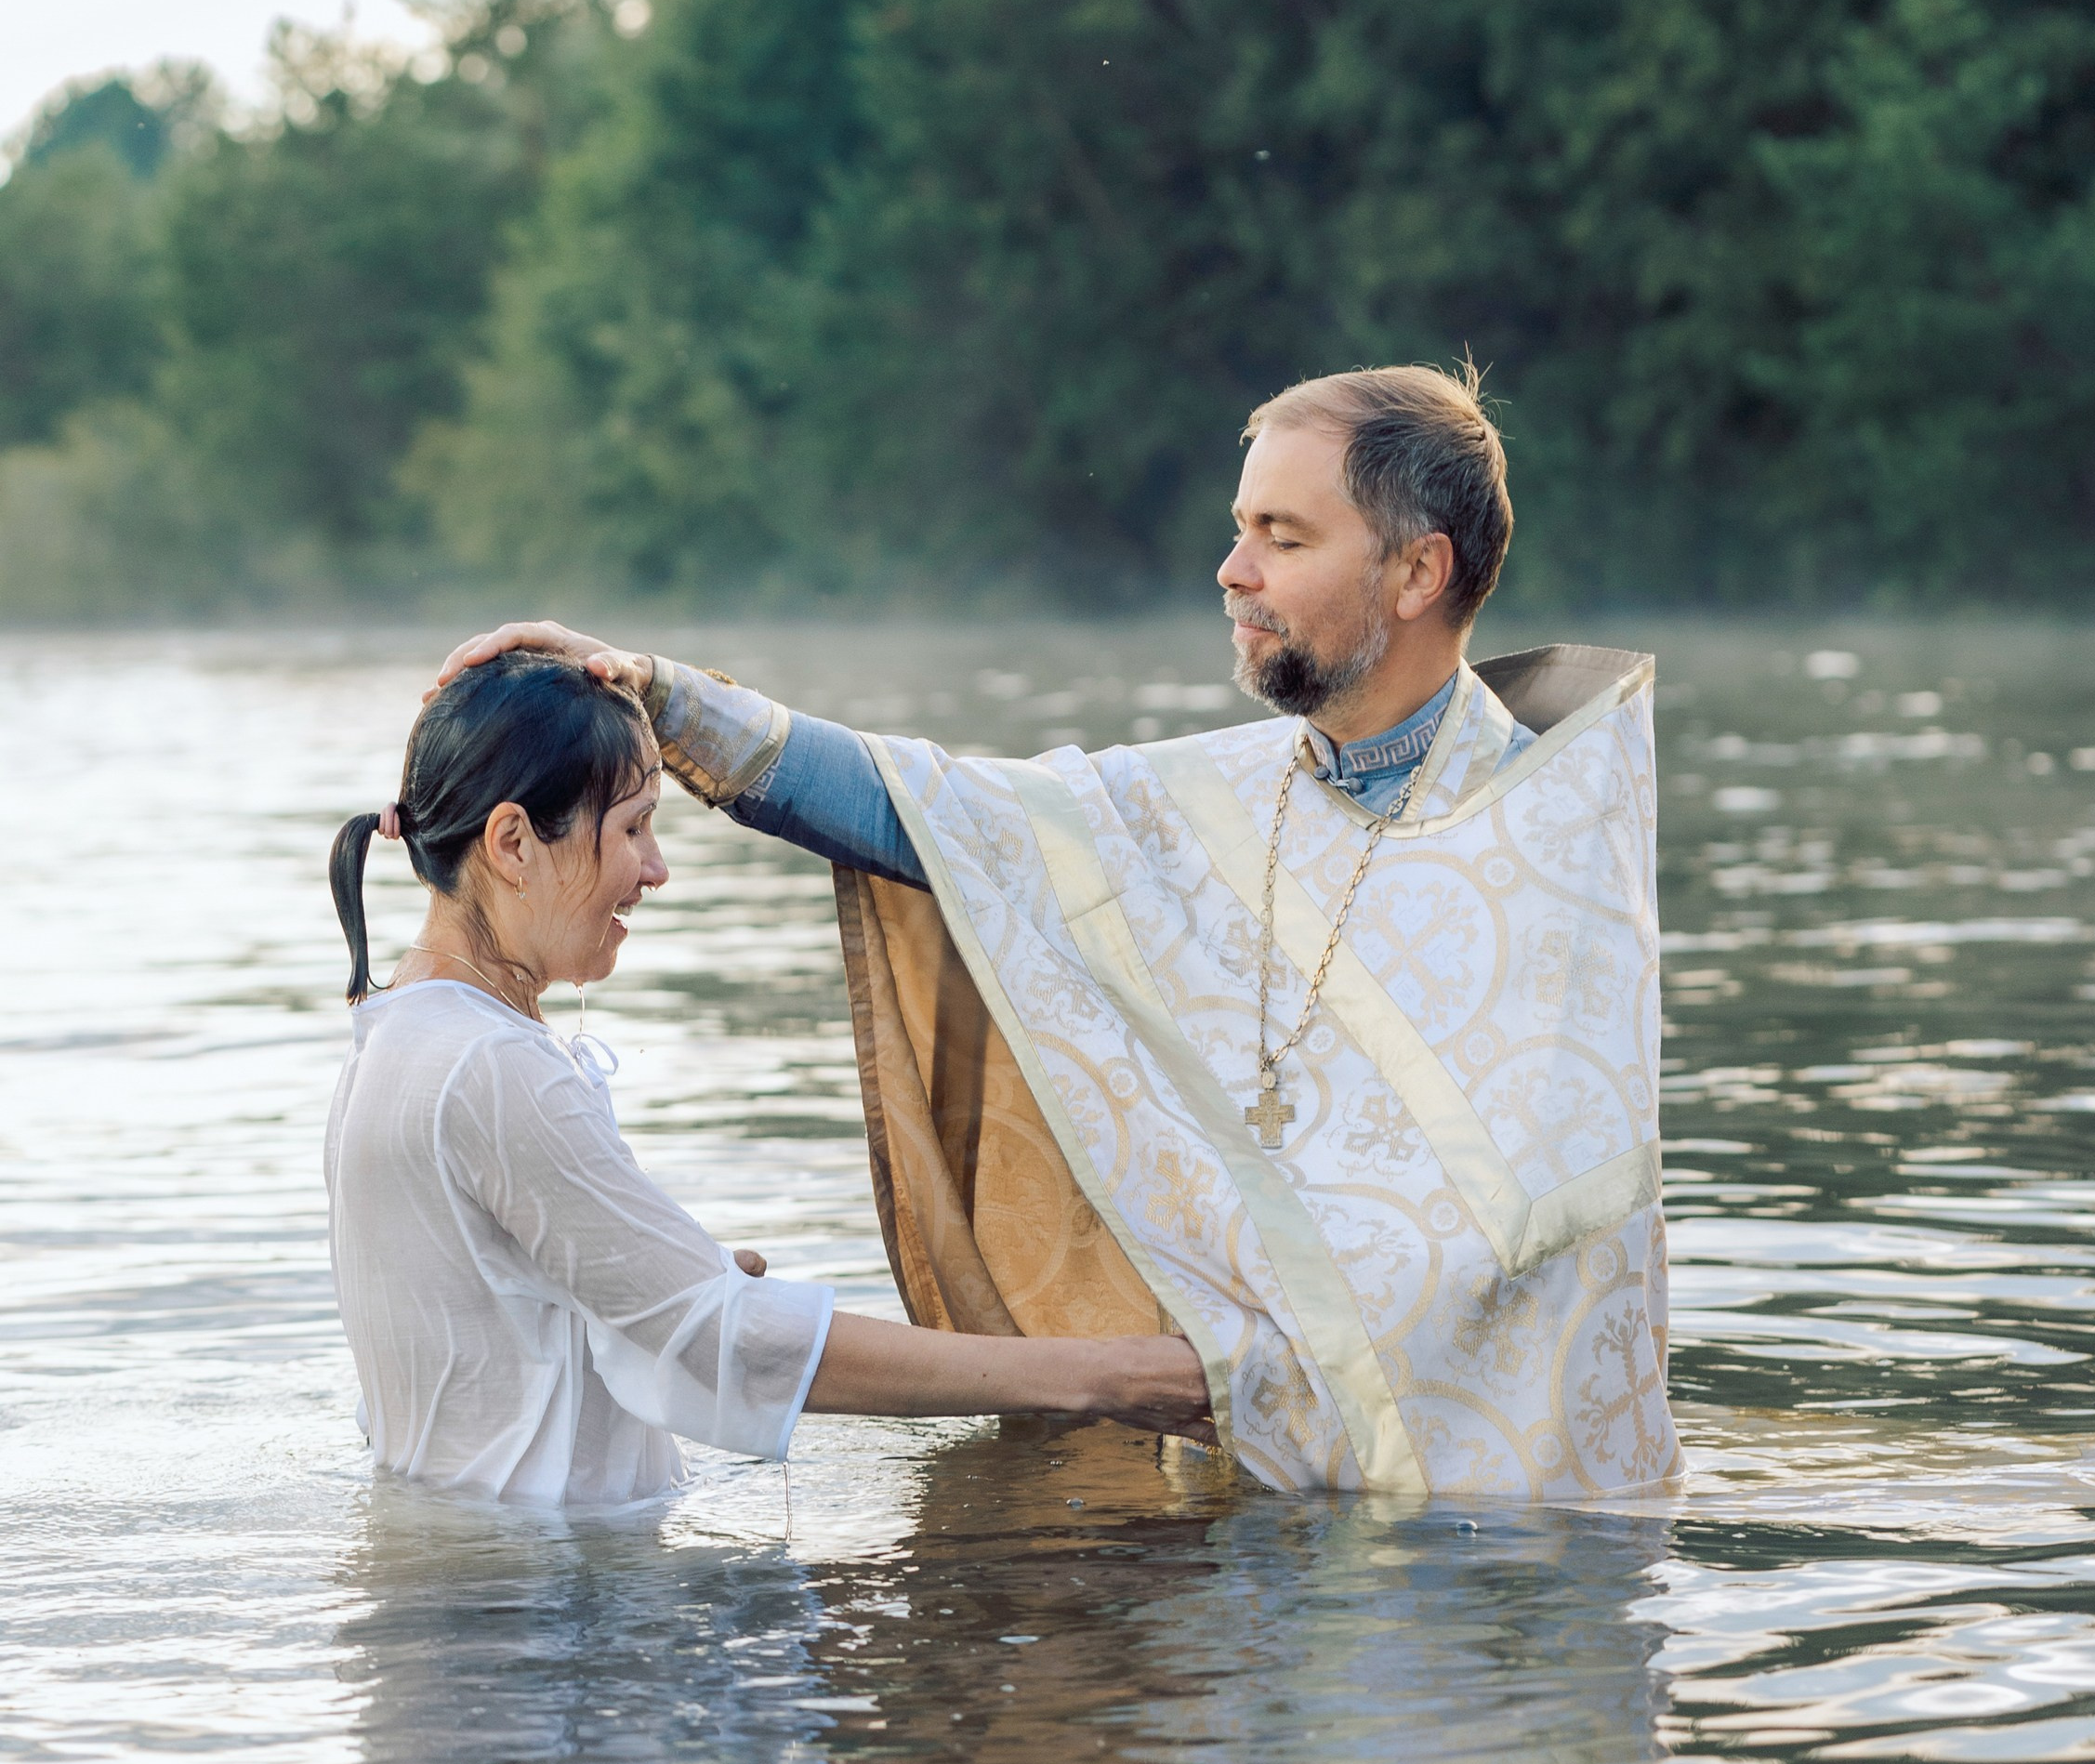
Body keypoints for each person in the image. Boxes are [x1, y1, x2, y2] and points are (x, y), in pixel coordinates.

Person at [436, 362, 1682, 1504]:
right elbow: (930, 812)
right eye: (1237, 528)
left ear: (1415, 574)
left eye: (1280, 537)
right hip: (1238, 1482)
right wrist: (656, 691)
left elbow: (1519, 1239)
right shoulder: (1222, 793)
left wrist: (1227, 1358)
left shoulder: (1551, 834)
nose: (1229, 570)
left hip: (1506, 1542)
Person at [326, 652, 1210, 1507]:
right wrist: (1109, 1376)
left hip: (474, 1590)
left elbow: (509, 1320)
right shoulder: (490, 1065)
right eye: (633, 827)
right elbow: (722, 1340)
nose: (656, 869)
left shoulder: (395, 1033)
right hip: (549, 1618)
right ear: (513, 842)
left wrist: (677, 1273)